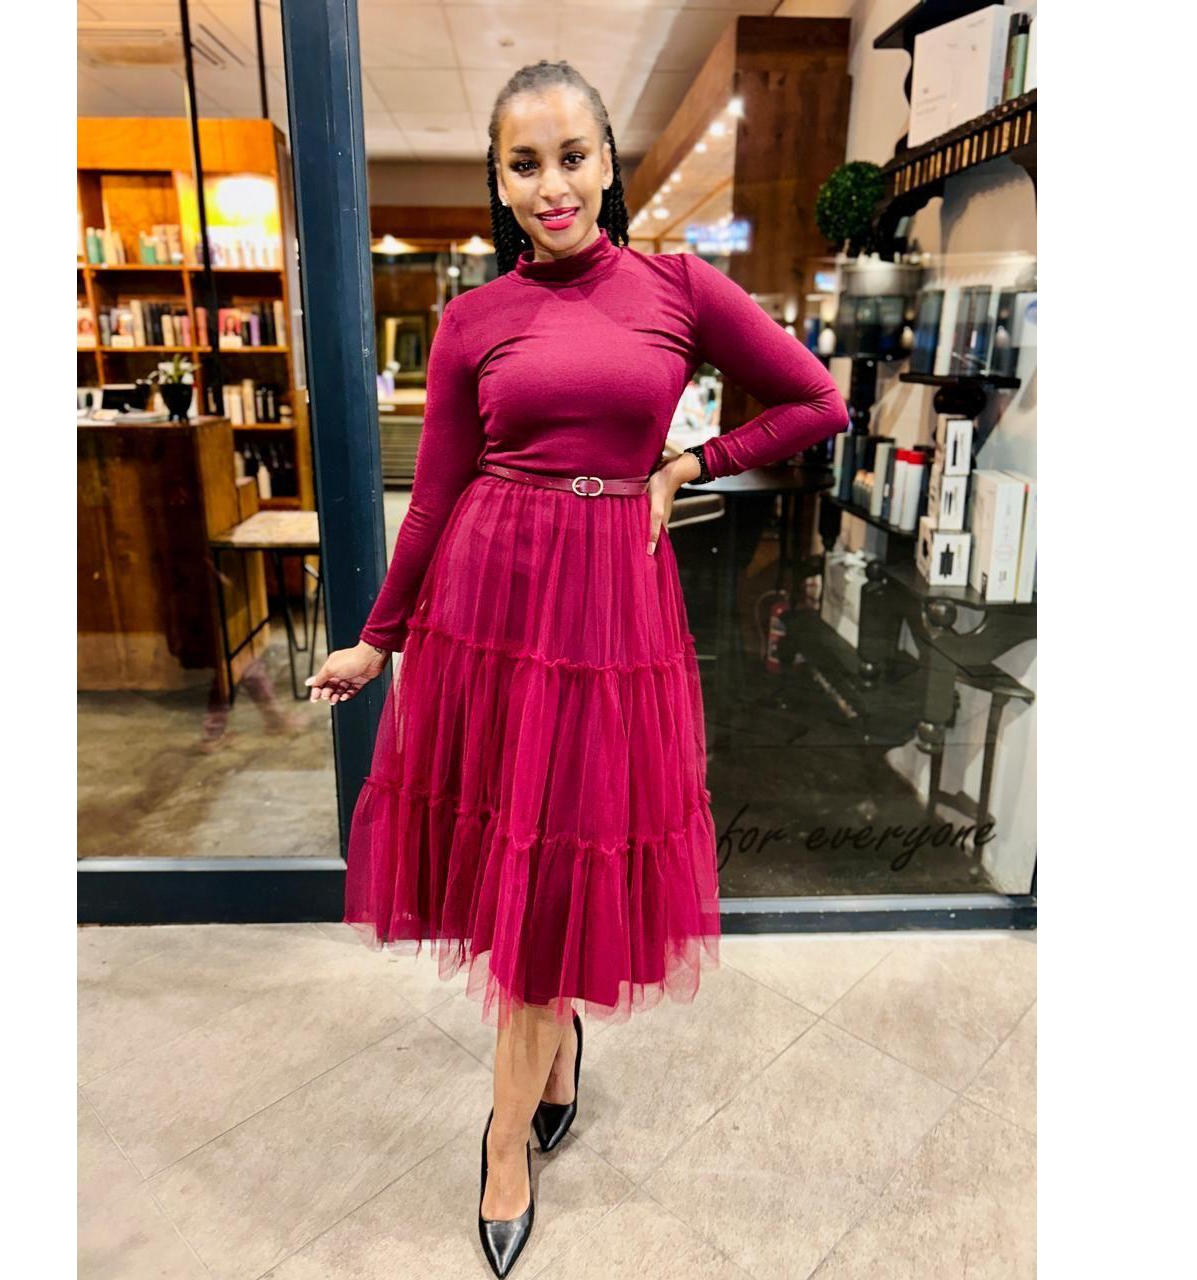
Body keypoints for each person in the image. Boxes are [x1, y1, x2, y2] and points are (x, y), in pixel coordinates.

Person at [305, 59, 849, 1278]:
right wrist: (377, 637)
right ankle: (532, 1095)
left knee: (567, 847)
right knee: (518, 850)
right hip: (491, 605)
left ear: (606, 162)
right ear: (499, 182)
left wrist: (688, 465)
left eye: (570, 156)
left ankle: (510, 1124)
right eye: (523, 163)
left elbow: (816, 402)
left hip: (611, 614)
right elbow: (433, 495)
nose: (550, 185)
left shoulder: (678, 288)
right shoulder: (472, 319)